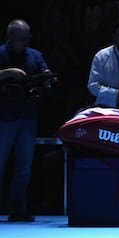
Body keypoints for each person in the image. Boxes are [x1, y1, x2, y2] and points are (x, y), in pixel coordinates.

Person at [0, 19, 53, 222]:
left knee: (24, 166)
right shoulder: (1, 53)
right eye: (22, 38)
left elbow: (45, 73)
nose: (26, 41)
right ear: (11, 37)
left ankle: (17, 208)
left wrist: (47, 78)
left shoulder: (35, 55)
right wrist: (9, 73)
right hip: (3, 118)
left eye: (28, 37)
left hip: (27, 118)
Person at [87, 22, 119, 108]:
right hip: (106, 107)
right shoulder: (101, 56)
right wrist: (115, 94)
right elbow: (92, 86)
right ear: (114, 37)